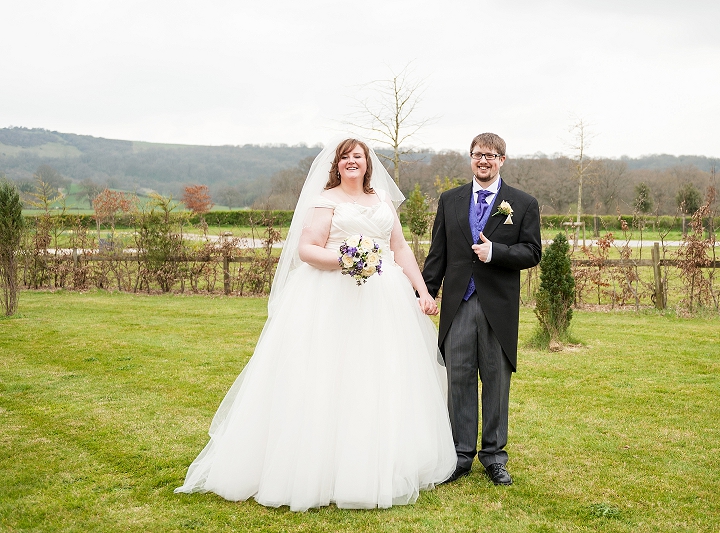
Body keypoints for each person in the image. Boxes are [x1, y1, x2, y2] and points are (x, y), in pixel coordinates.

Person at [175, 138, 456, 511]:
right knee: (329, 376)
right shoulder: (326, 200)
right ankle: (318, 470)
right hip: (332, 295)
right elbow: (307, 249)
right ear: (337, 165)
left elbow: (400, 248)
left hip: (385, 297)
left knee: (381, 374)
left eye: (358, 157)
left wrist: (422, 291)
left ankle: (382, 465)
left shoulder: (383, 201)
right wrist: (348, 261)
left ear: (368, 164)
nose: (352, 162)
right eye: (345, 157)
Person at [422, 132, 541, 486]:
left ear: (502, 160)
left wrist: (497, 253)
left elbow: (532, 252)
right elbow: (438, 253)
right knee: (457, 378)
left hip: (497, 308)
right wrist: (426, 291)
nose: (484, 161)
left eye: (491, 155)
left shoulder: (522, 203)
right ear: (470, 158)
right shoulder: (450, 200)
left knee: (495, 381)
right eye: (478, 155)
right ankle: (459, 455)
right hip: (458, 304)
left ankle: (493, 456)